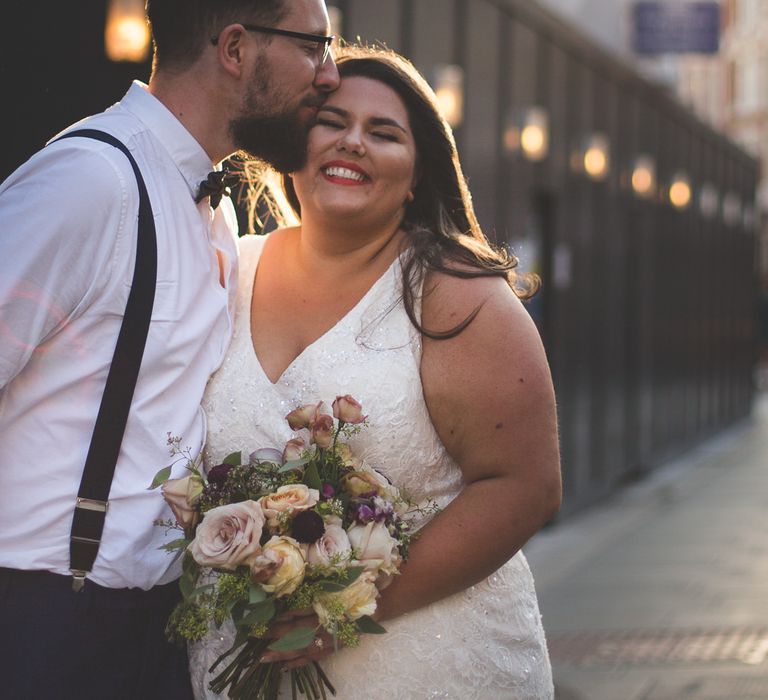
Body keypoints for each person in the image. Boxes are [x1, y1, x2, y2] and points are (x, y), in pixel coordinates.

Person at [193, 45, 561, 699]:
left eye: (384, 133)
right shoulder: (226, 271)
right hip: (242, 654)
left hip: (424, 660)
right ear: (295, 143)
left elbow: (524, 486)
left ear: (417, 172)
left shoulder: (453, 294)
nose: (353, 142)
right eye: (332, 121)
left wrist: (344, 607)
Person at [0, 1, 339, 697]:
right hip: (45, 619)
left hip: (154, 627)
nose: (330, 74)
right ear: (237, 49)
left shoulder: (212, 211)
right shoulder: (90, 183)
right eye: (314, 46)